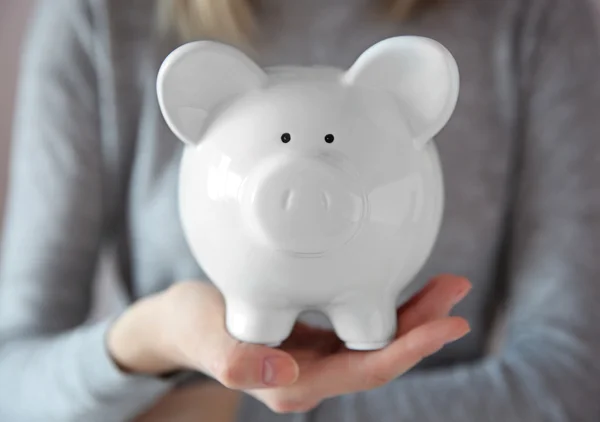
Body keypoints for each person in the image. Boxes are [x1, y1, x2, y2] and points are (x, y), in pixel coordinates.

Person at [0, 0, 599, 421]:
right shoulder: (98, 14)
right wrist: (148, 340)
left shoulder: (530, 15)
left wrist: (209, 415)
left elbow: (574, 382)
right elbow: (10, 381)